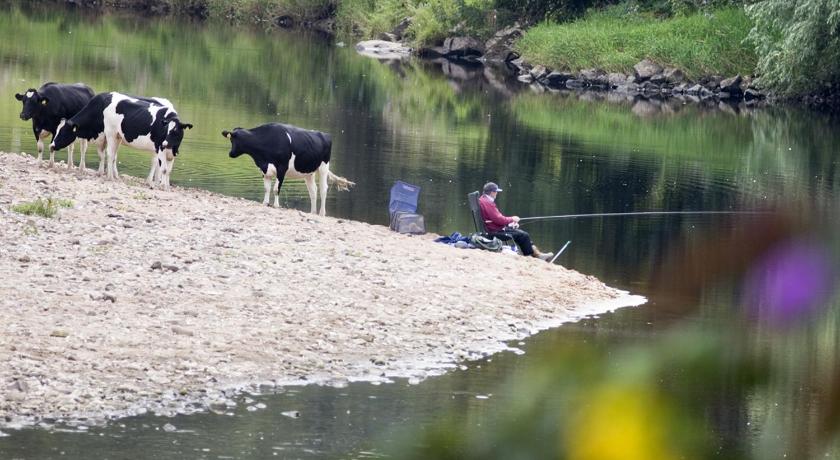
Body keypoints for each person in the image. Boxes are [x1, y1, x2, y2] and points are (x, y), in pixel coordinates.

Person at [478, 182, 554, 261]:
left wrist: (509, 224)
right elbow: (499, 219)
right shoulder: (488, 203)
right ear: (492, 192)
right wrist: (512, 219)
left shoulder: (483, 200)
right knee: (523, 235)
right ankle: (532, 257)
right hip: (494, 232)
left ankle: (536, 254)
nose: (497, 193)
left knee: (521, 233)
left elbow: (495, 219)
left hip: (492, 228)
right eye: (496, 192)